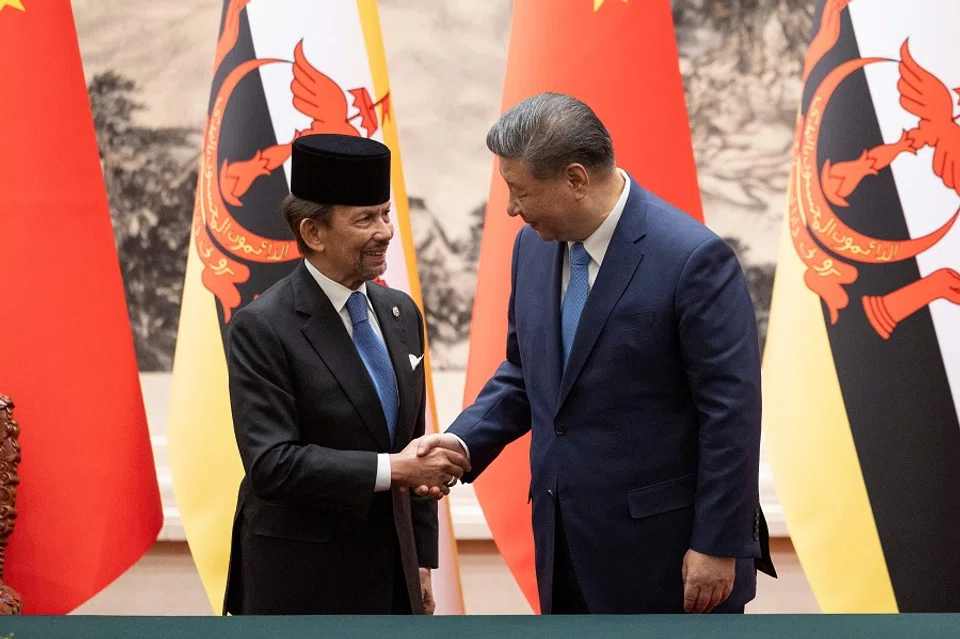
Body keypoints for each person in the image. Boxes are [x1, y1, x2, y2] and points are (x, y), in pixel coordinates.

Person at [418, 92, 776, 614]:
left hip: (670, 560)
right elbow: (526, 372)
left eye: (520, 191)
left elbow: (731, 415)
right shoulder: (532, 247)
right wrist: (461, 443)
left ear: (576, 179)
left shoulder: (693, 259)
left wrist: (718, 543)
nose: (511, 209)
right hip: (563, 548)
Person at [222, 133, 469, 615]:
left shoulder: (401, 314)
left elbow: (412, 442)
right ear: (313, 233)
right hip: (302, 586)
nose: (386, 231)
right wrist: (395, 469)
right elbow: (273, 463)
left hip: (393, 581)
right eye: (365, 219)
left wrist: (420, 560)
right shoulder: (263, 326)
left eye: (385, 213)